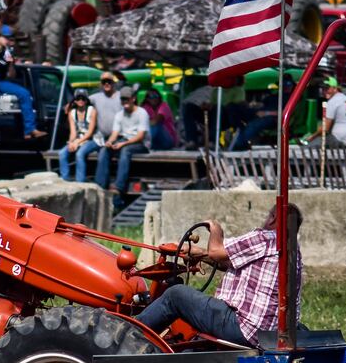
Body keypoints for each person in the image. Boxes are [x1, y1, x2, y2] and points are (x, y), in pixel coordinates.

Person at [136, 205, 303, 347]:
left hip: (244, 329)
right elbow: (227, 261)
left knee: (175, 295)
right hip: (270, 334)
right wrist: (200, 254)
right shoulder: (291, 250)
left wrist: (215, 229)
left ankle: (130, 335)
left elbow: (216, 252)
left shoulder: (265, 238)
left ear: (273, 218)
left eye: (269, 215)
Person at [94, 86, 150, 206]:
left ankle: (119, 187)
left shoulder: (142, 113)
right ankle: (100, 185)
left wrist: (122, 144)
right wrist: (110, 142)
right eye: (122, 99)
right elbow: (115, 133)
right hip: (124, 141)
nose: (124, 102)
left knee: (125, 150)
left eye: (127, 99)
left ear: (133, 99)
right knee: (104, 150)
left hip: (141, 144)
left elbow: (140, 136)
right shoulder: (120, 114)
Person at [304, 76, 346, 146]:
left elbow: (325, 128)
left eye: (327, 88)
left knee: (311, 144)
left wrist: (311, 137)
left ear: (335, 88)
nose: (325, 91)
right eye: (323, 89)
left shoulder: (333, 101)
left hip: (341, 139)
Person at [57, 89, 99, 183]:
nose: (81, 100)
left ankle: (80, 182)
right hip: (79, 139)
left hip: (93, 139)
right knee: (62, 153)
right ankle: (65, 180)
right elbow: (73, 132)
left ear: (86, 100)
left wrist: (77, 142)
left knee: (79, 154)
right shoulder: (72, 113)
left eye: (83, 98)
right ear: (75, 100)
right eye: (78, 98)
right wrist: (71, 142)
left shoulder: (92, 111)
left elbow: (90, 132)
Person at [90, 72, 124, 145]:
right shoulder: (95, 97)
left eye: (109, 81)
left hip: (120, 138)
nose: (106, 84)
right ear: (101, 84)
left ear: (113, 83)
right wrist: (70, 104)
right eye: (104, 82)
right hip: (101, 139)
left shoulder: (122, 96)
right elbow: (80, 100)